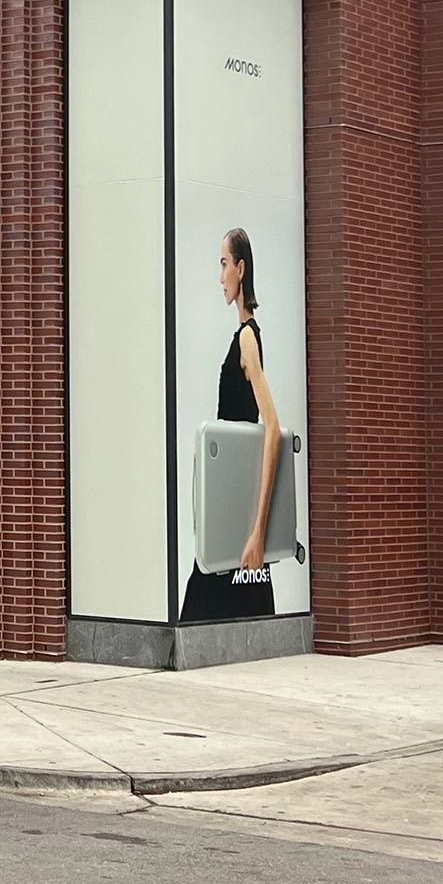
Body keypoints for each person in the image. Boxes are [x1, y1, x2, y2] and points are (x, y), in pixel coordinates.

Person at [182, 228, 279, 620]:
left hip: (238, 512)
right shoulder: (243, 337)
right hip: (229, 503)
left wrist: (258, 532)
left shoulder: (247, 340)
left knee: (203, 611)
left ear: (240, 268)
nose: (219, 275)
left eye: (223, 264)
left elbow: (272, 428)